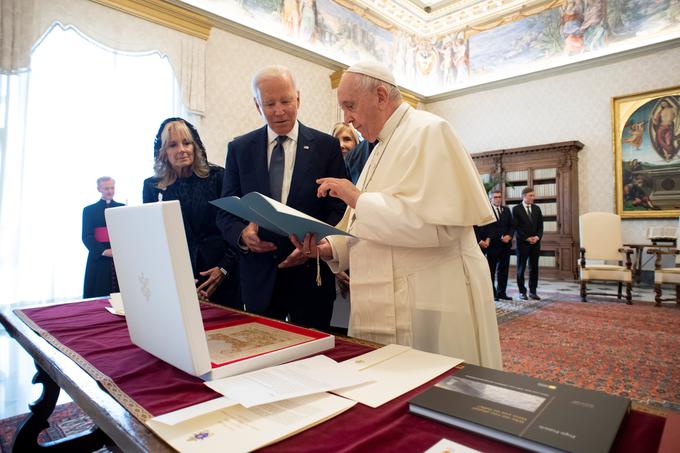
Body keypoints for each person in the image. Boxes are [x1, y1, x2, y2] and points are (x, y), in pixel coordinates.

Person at [297, 61, 502, 368]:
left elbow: (440, 228)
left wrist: (357, 198)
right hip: (390, 297)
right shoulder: (378, 147)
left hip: (431, 298)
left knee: (435, 393)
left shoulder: (430, 131)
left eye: (350, 106)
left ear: (380, 96)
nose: (347, 119)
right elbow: (366, 224)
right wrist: (330, 248)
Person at [217, 65, 347, 330]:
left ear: (298, 98)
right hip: (259, 276)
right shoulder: (239, 149)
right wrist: (243, 235)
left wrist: (315, 243)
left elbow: (338, 206)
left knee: (314, 359)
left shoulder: (326, 147)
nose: (279, 110)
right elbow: (225, 210)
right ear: (257, 105)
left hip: (311, 276)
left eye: (286, 101)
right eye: (270, 103)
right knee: (263, 356)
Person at [143, 118, 239, 308]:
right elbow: (153, 238)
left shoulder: (218, 177)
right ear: (163, 153)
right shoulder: (152, 187)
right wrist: (177, 280)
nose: (182, 150)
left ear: (195, 146)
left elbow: (235, 226)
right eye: (173, 145)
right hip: (176, 279)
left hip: (221, 274)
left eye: (187, 142)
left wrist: (224, 268)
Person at [82, 176, 124, 298]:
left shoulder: (123, 207)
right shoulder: (89, 210)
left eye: (112, 188)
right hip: (99, 256)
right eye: (106, 188)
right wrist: (104, 251)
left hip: (118, 255)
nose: (110, 191)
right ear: (99, 189)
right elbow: (86, 236)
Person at [475, 189, 513, 301]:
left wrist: (509, 236)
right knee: (491, 271)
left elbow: (512, 225)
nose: (498, 199)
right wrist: (500, 236)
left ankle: (502, 292)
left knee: (504, 270)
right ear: (490, 199)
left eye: (499, 197)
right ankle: (493, 293)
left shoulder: (506, 210)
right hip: (492, 245)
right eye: (495, 197)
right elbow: (489, 228)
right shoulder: (487, 211)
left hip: (506, 245)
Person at [512, 187, 543, 301]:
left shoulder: (537, 209)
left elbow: (540, 226)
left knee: (534, 268)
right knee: (521, 268)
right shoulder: (516, 209)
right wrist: (526, 238)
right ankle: (522, 292)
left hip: (535, 243)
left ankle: (533, 292)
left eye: (533, 195)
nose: (533, 198)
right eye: (531, 195)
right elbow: (516, 227)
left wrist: (537, 237)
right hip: (522, 244)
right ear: (524, 196)